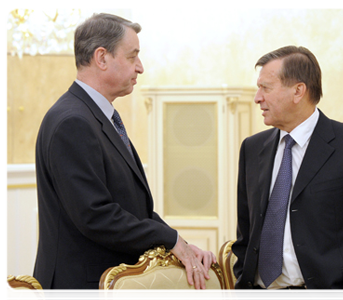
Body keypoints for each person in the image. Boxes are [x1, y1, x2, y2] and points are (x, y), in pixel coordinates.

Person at [33, 13, 216, 300]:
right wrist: (169, 240)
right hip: (82, 288)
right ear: (101, 58)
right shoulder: (73, 122)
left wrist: (181, 244)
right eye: (133, 57)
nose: (140, 67)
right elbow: (96, 215)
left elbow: (132, 208)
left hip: (110, 284)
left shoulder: (98, 116)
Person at [232, 46, 343, 300]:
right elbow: (246, 232)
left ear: (298, 91)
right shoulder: (252, 148)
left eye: (265, 88)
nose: (257, 97)